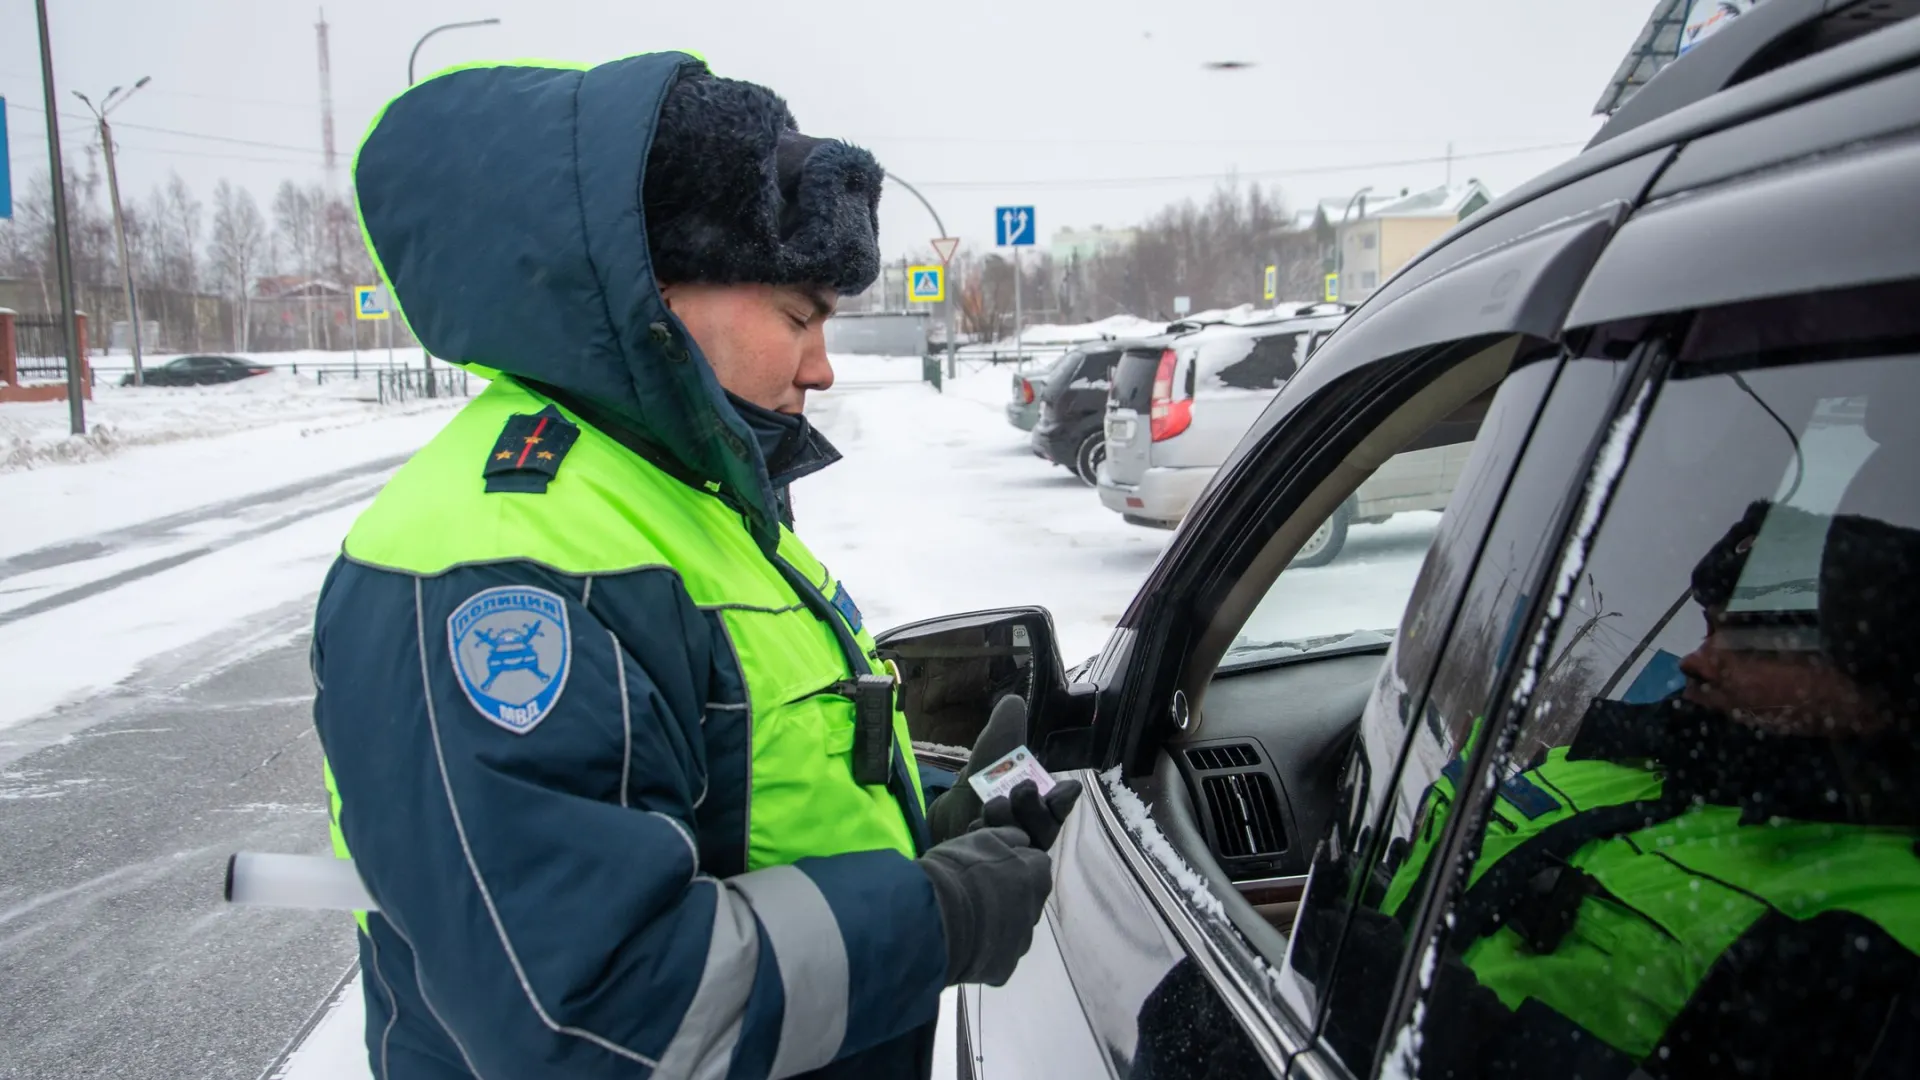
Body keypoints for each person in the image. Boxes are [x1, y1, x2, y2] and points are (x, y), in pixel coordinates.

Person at [312, 53, 1079, 1080]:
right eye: (800, 318)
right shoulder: (502, 566)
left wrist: (929, 827)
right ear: (650, 289)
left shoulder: (668, 494)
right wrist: (935, 915)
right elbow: (596, 1015)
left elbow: (740, 802)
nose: (821, 366)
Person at [1306, 498, 1920, 1077]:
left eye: (1751, 643)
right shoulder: (1619, 759)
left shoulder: (1881, 923)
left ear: (1874, 689)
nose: (1698, 660)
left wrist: (1452, 1032)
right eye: (1710, 628)